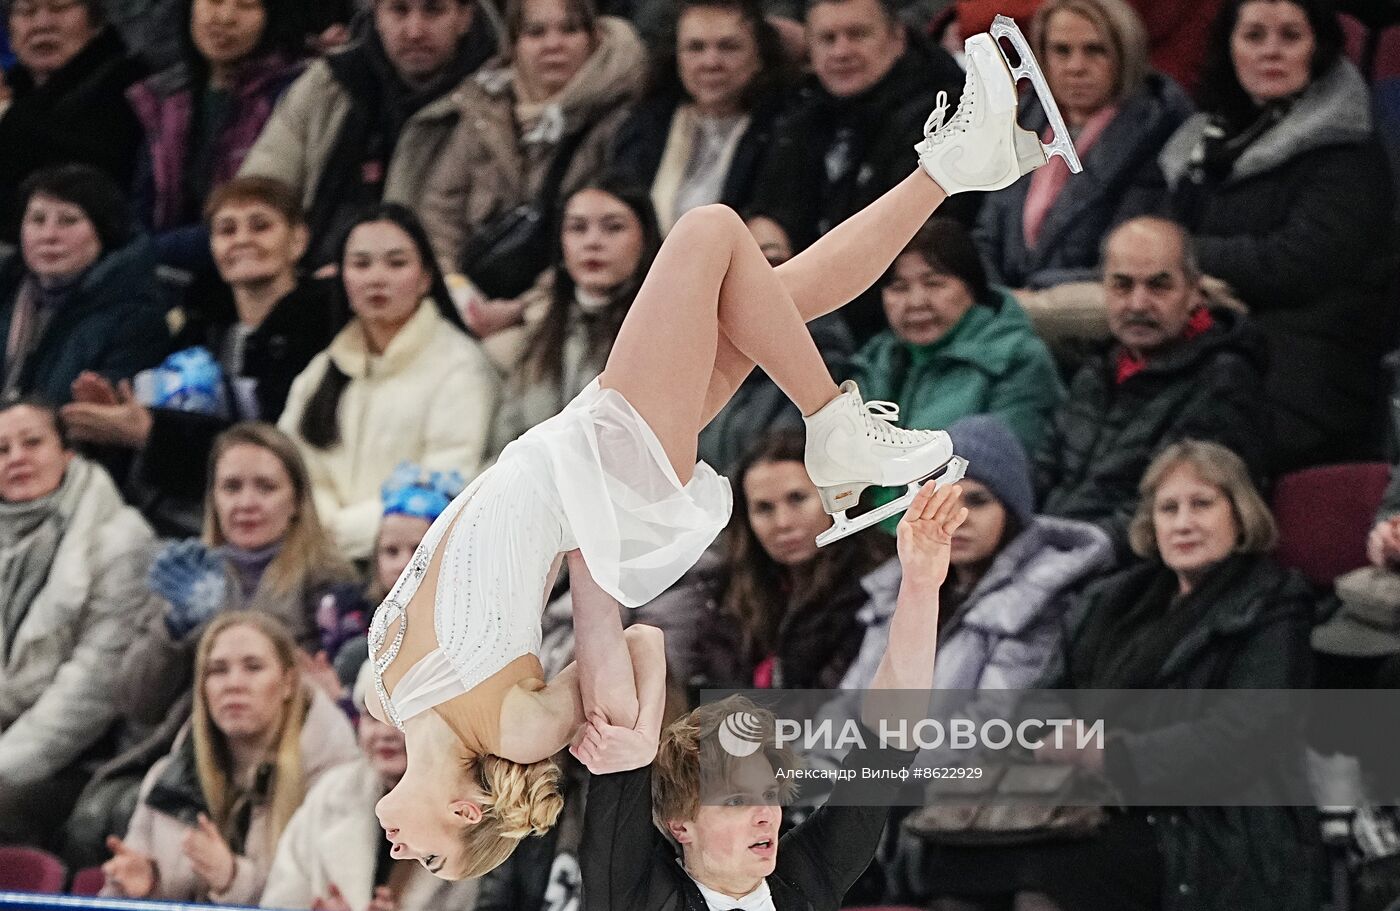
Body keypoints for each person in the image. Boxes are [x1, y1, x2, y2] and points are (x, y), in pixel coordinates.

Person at [366, 22, 1064, 880]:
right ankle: (833, 420)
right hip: (593, 476)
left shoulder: (383, 693)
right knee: (707, 232)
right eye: (432, 857)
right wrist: (620, 711)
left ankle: (955, 169)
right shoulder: (519, 730)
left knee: (770, 298)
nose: (402, 855)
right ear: (470, 811)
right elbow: (645, 647)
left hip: (560, 451)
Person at [899, 440, 1323, 911]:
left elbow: (1243, 735)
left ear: (1240, 514)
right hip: (1090, 803)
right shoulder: (1112, 602)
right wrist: (1049, 737)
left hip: (1211, 825)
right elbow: (1040, 704)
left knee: (1056, 874)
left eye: (1202, 504)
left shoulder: (1274, 603)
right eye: (1168, 508)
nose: (1184, 522)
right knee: (954, 865)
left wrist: (1110, 754)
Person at [579, 480, 968, 910]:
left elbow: (890, 740)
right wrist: (582, 543)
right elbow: (638, 643)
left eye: (769, 794)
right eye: (736, 800)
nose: (765, 816)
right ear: (681, 824)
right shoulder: (637, 896)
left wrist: (920, 585)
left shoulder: (807, 878)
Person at [61, 423, 362, 868]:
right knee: (90, 819)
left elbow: (345, 697)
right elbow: (135, 701)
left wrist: (224, 623)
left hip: (285, 759)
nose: (245, 503)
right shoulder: (185, 571)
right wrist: (176, 627)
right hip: (184, 752)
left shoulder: (331, 584)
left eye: (265, 487)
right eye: (231, 487)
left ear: (297, 501)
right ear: (213, 499)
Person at [1160, 0, 1397, 470]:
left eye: (1290, 37)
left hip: (1303, 373)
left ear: (1320, 49)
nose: (1271, 51)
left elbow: (1294, 264)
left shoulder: (1348, 153)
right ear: (1229, 48)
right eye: (1254, 36)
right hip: (1208, 347)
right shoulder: (1197, 147)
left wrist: (1178, 257)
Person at [61, 177, 342, 537]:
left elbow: (288, 447)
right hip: (170, 516)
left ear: (298, 241)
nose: (242, 240)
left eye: (261, 226)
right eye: (227, 229)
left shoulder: (324, 332)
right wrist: (114, 422)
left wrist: (152, 434)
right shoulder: (197, 327)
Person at [1034, 216, 1268, 560]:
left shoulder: (1224, 380)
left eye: (1159, 286)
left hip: (1125, 571)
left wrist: (1058, 555)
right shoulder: (1097, 369)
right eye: (1122, 285)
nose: (1138, 303)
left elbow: (1171, 515)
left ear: (1194, 292)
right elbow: (1044, 468)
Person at [278, 204, 499, 561]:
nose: (377, 278)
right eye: (361, 264)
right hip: (317, 561)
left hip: (410, 564)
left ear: (426, 277)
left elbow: (446, 481)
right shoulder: (322, 369)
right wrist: (321, 530)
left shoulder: (460, 367)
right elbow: (290, 463)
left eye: (396, 263)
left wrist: (340, 532)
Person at [100, 611, 359, 904]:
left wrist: (233, 879)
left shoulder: (337, 784)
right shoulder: (168, 778)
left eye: (253, 667)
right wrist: (143, 887)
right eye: (218, 670)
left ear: (288, 682)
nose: (233, 683)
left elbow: (328, 898)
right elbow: (117, 898)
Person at [841, 415, 1113, 692]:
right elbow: (849, 703)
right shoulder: (895, 589)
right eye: (942, 501)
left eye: (977, 501)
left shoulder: (1042, 601)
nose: (958, 518)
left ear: (1012, 512)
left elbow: (989, 727)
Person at [747, 0, 967, 342]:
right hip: (808, 319)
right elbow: (771, 209)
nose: (842, 51)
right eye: (828, 39)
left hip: (890, 321)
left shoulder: (942, 114)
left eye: (857, 35)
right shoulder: (800, 116)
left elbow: (916, 234)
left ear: (897, 38)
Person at [0, 397, 158, 849]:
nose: (17, 458)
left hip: (85, 753)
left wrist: (3, 762)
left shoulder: (121, 539)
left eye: (32, 442)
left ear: (68, 453)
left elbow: (91, 689)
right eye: (2, 449)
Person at [238, 0, 500, 266]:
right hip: (310, 284)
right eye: (399, 10)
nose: (414, 31)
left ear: (465, 17)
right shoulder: (327, 85)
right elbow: (260, 195)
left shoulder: (498, 104)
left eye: (433, 10)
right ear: (377, 14)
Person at [638, 428, 896, 691]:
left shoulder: (882, 581)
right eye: (764, 508)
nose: (782, 523)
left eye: (797, 499)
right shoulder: (723, 587)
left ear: (836, 497)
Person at [419, 0, 646, 282]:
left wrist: (524, 310)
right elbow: (440, 213)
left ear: (593, 39)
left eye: (569, 30)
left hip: (566, 299)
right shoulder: (483, 111)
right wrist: (458, 292)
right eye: (535, 32)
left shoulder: (619, 120)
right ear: (513, 45)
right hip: (471, 299)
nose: (553, 44)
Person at [974, 0, 1192, 293]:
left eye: (1095, 50)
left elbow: (1128, 262)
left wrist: (1026, 299)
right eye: (1061, 51)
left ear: (1125, 55)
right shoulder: (1022, 118)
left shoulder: (1159, 133)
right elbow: (986, 235)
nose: (1075, 67)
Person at [259, 661, 480, 911]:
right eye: (371, 717)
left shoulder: (472, 807)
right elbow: (281, 898)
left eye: (400, 718)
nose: (385, 734)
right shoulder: (332, 793)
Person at [852, 217, 1064, 462]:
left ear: (972, 288)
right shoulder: (872, 360)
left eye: (934, 284)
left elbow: (1003, 467)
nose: (916, 302)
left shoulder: (1019, 359)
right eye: (899, 288)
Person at [125, 0, 306, 270]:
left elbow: (265, 213)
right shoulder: (169, 99)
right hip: (165, 275)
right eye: (213, 1)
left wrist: (145, 253)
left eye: (246, 5)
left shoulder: (294, 93)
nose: (224, 17)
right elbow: (142, 206)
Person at [486, 179, 662, 454]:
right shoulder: (539, 333)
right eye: (577, 228)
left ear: (646, 240)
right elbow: (505, 443)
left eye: (613, 227)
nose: (592, 242)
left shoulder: (664, 334)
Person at [606, 0, 796, 234]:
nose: (711, 63)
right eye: (695, 48)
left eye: (728, 47)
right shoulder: (644, 129)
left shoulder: (788, 131)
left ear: (759, 56)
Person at [0, 164, 168, 406]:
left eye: (68, 221)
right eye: (37, 220)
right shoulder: (7, 293)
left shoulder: (136, 318)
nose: (49, 235)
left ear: (104, 231)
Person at [0, 0, 145, 241]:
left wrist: (7, 120)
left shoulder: (126, 87)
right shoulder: (15, 90)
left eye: (59, 8)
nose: (42, 24)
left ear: (96, 22)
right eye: (27, 11)